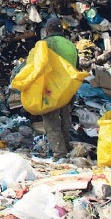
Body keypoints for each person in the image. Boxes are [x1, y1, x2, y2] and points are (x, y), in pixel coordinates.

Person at [33, 18, 79, 160]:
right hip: (68, 88)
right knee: (65, 119)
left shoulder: (45, 44)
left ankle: (60, 154)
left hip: (51, 89)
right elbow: (77, 67)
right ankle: (65, 149)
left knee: (52, 121)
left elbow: (37, 66)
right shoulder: (71, 45)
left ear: (47, 30)